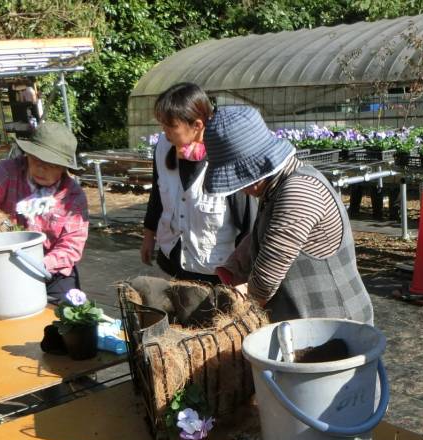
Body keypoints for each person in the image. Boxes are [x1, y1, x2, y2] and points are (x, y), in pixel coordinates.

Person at [202, 106, 373, 324]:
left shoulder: (298, 192)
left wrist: (232, 314)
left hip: (338, 329)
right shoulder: (277, 186)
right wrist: (234, 265)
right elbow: (267, 233)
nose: (238, 189)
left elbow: (264, 283)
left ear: (252, 173)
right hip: (306, 325)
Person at [0, 121, 89, 304]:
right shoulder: (8, 172)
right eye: (35, 159)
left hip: (52, 269)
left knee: (70, 318)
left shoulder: (73, 197)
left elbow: (70, 246)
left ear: (63, 167)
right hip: (1, 263)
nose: (41, 168)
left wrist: (38, 266)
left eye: (50, 164)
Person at [140, 83, 256, 282]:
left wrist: (242, 274)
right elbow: (158, 195)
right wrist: (149, 236)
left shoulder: (225, 158)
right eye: (162, 124)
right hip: (173, 260)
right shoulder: (163, 148)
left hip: (214, 270)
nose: (164, 131)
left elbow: (248, 222)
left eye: (171, 126)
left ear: (197, 125)